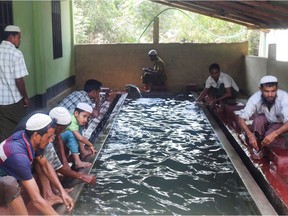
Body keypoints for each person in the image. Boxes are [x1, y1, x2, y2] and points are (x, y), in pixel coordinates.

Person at [0, 113, 74, 215]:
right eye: (48, 137)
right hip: (4, 183)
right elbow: (36, 200)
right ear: (36, 135)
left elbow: (45, 165)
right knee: (10, 184)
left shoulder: (27, 137)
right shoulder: (18, 155)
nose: (50, 141)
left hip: (4, 180)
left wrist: (62, 191)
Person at [237, 75, 288, 156]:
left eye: (273, 91)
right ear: (260, 89)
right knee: (258, 121)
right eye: (266, 91)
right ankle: (260, 145)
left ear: (277, 88)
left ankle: (279, 150)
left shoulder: (284, 98)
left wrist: (274, 134)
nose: (270, 94)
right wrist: (250, 135)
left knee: (269, 136)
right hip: (268, 119)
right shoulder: (255, 98)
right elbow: (240, 118)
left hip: (281, 122)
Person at [0, 25, 29, 142]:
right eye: (19, 37)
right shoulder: (16, 54)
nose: (19, 40)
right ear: (12, 37)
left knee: (3, 130)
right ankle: (17, 154)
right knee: (20, 129)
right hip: (13, 101)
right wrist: (25, 97)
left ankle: (3, 155)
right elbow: (19, 80)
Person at [61, 103, 96, 170]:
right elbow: (80, 137)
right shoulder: (71, 121)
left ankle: (83, 152)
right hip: (57, 138)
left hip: (63, 137)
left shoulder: (75, 119)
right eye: (84, 116)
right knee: (72, 135)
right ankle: (77, 162)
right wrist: (90, 144)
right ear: (76, 113)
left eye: (88, 117)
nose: (86, 120)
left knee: (78, 130)